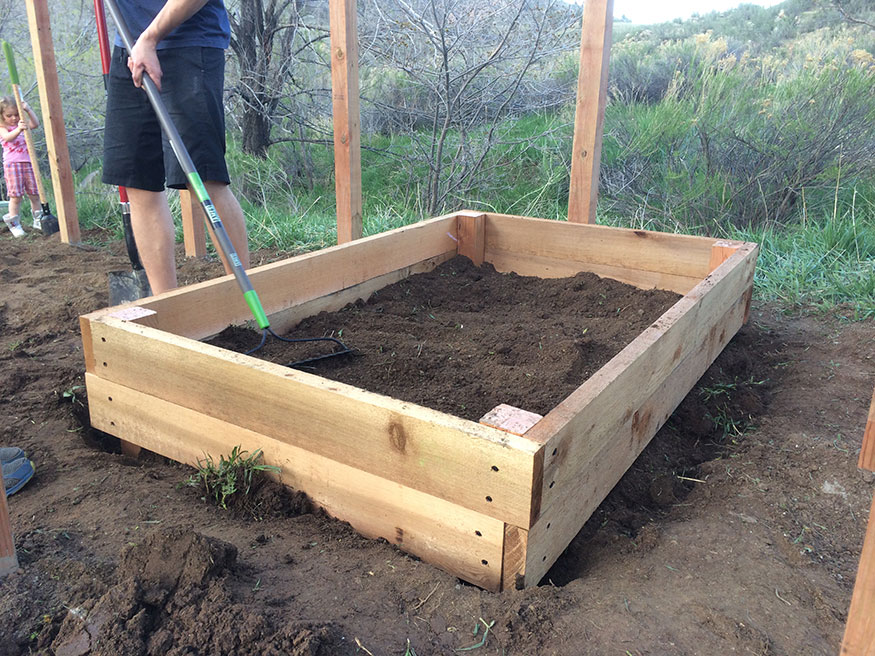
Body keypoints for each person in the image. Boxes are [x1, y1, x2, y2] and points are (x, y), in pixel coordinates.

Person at [102, 0, 249, 294]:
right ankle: (167, 304)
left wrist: (151, 37)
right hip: (129, 47)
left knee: (204, 178)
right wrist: (140, 43)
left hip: (188, 42)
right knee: (139, 183)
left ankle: (244, 300)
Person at [0, 97, 43, 238]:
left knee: (34, 193)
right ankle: (14, 223)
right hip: (13, 164)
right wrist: (19, 128)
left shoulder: (23, 124)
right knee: (16, 195)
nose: (13, 118)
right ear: (2, 116)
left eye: (16, 114)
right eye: (9, 115)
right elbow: (7, 138)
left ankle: (38, 220)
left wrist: (28, 109)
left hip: (29, 163)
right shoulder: (3, 128)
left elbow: (35, 124)